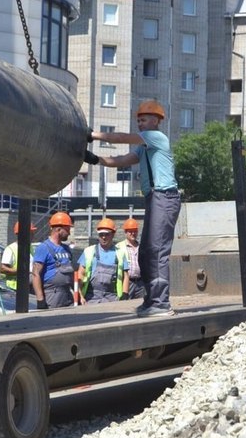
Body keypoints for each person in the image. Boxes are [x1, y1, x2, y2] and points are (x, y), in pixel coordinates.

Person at [84, 100, 180, 317]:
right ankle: (152, 300)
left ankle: (161, 303)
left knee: (157, 251)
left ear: (156, 121)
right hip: (155, 198)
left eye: (143, 119)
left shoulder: (156, 137)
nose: (140, 123)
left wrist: (93, 135)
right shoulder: (144, 147)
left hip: (164, 197)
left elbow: (121, 138)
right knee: (146, 252)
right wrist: (96, 159)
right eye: (138, 120)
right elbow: (122, 159)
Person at [76, 217, 130, 304]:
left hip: (112, 297)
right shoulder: (89, 251)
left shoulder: (120, 253)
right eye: (101, 235)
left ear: (113, 234)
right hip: (91, 297)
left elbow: (126, 276)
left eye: (107, 234)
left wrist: (125, 293)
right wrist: (80, 295)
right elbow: (80, 274)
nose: (103, 237)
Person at [32, 212, 75, 309]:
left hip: (67, 295)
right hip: (52, 295)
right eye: (67, 229)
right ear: (59, 229)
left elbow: (71, 275)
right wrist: (40, 299)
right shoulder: (43, 248)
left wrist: (78, 295)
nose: (69, 233)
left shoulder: (66, 249)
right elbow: (35, 274)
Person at [0, 221, 36, 290]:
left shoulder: (30, 247)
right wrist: (21, 271)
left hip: (29, 286)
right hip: (15, 288)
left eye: (32, 233)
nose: (33, 235)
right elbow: (3, 268)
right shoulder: (10, 249)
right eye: (30, 233)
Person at [116, 218, 145, 299]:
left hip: (140, 283)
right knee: (126, 305)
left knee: (141, 305)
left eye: (135, 231)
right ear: (125, 232)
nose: (133, 233)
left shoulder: (141, 247)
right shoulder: (119, 247)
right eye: (130, 231)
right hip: (127, 282)